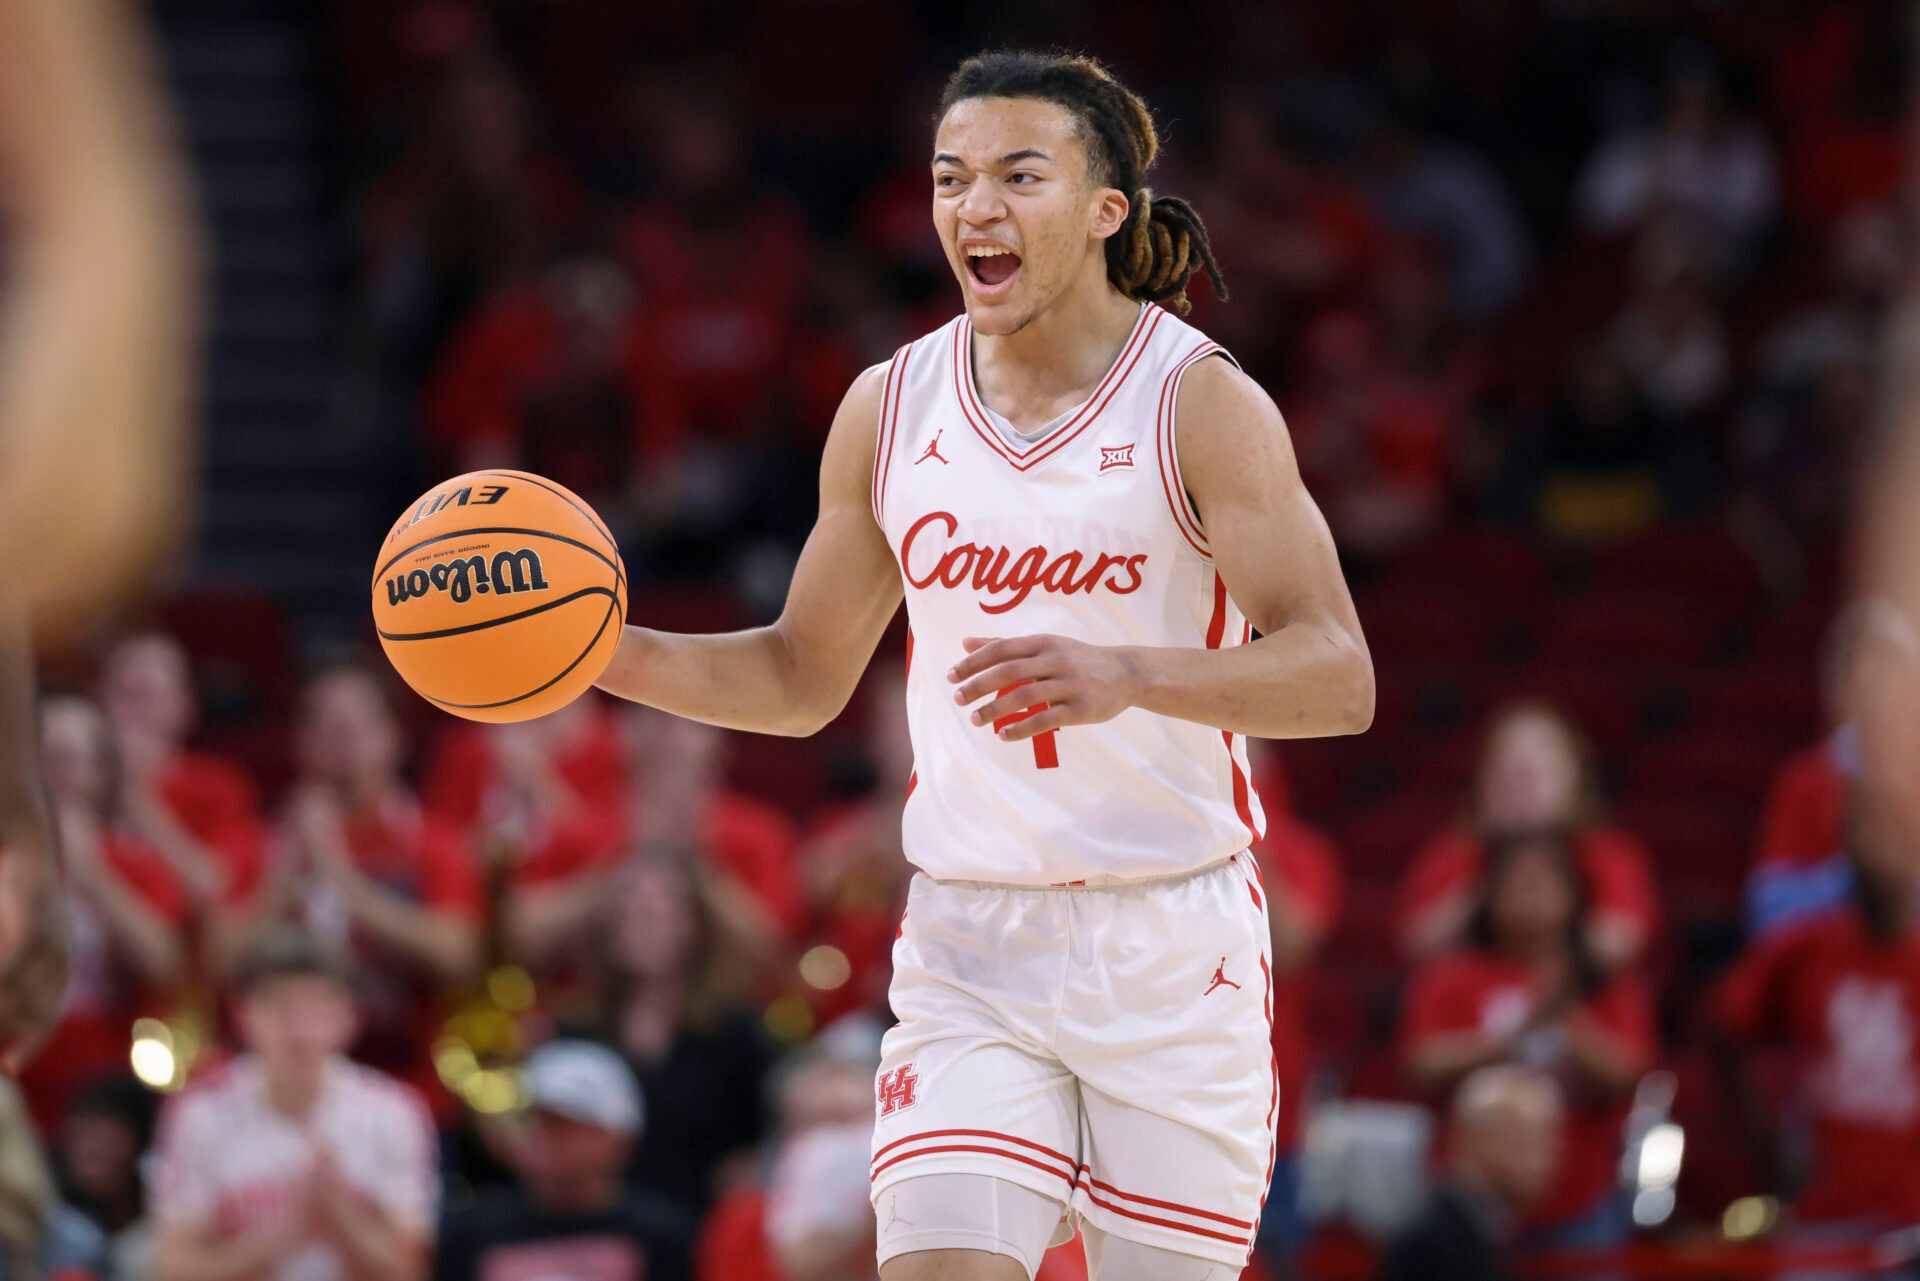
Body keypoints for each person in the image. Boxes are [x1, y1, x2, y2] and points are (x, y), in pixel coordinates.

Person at [592, 49, 1373, 1281]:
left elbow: (1338, 675)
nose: (975, 208)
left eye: (1020, 175)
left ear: (1107, 210)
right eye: (953, 178)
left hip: (1170, 940)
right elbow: (801, 677)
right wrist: (602, 651)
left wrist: (1132, 675)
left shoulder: (1200, 404)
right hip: (971, 936)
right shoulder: (889, 407)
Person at [215, 666, 483, 1106]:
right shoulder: (258, 845)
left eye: (358, 723)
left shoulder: (434, 843)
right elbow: (219, 962)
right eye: (324, 723)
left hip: (407, 1083)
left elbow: (458, 955)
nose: (342, 738)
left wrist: (340, 877)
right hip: (270, 1091)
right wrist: (284, 878)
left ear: (395, 737)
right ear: (300, 741)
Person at [1400, 832, 1654, 1253]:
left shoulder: (1603, 985)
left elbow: (1630, 1074)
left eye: (1544, 883)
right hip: (1470, 1206)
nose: (1530, 896)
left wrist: (1568, 1021)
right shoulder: (1450, 978)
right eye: (1516, 883)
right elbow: (1421, 1065)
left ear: (1573, 897)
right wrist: (1520, 1034)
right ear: (1489, 896)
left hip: (1581, 1202)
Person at [150, 926, 438, 1281]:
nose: (300, 1030)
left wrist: (339, 1215)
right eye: (282, 1009)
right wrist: (278, 1237)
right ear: (242, 1014)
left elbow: (410, 1269)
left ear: (350, 1017)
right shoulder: (201, 1112)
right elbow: (172, 1267)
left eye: (317, 1009)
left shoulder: (393, 1111)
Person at [1715, 782, 1920, 1254]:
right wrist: (1763, 1141)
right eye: (1863, 830)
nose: (1876, 850)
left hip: (1911, 1226)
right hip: (1822, 1222)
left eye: (1892, 831)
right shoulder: (1805, 951)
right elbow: (1722, 1027)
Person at [1397, 703, 1658, 973]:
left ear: (1574, 778)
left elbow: (1621, 943)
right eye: (1505, 776)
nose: (1521, 792)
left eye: (1534, 776)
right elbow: (1418, 947)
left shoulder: (1608, 853)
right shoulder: (1454, 852)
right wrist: (1494, 881)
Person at [589, 853, 775, 1214]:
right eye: (630, 911)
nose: (642, 923)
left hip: (701, 1220)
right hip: (604, 1228)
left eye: (660, 913)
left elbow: (762, 1133)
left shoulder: (733, 1031)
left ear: (694, 927)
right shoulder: (580, 1030)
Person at [434, 1039, 695, 1281]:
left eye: (566, 1126)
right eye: (535, 1120)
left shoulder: (666, 1236)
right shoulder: (469, 1234)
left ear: (620, 1139)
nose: (544, 1137)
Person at [98, 632, 266, 913]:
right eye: (122, 694)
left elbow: (215, 892)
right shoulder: (70, 780)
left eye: (146, 694)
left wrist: (137, 801)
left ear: (184, 706)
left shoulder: (218, 784)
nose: (132, 710)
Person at [1374, 1066, 1564, 1281]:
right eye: (1526, 1142)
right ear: (1473, 1141)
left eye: (1549, 1143)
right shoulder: (1430, 1245)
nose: (1547, 1160)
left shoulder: (1489, 1231)